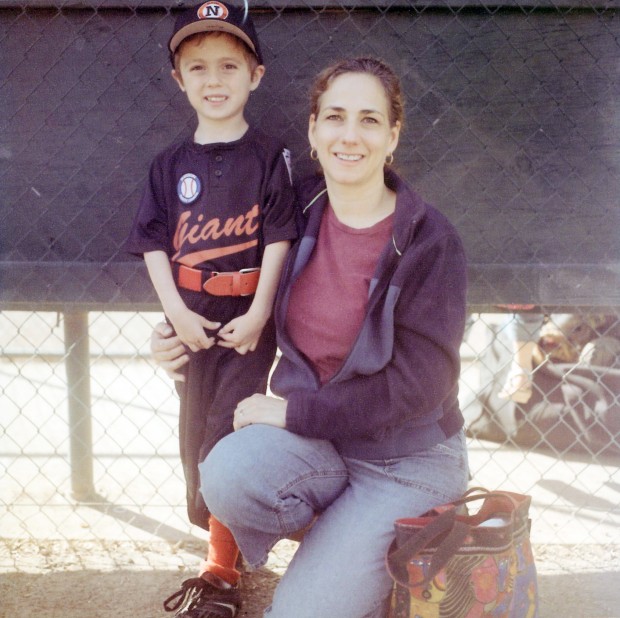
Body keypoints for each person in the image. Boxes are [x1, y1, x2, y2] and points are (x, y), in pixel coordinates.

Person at [152, 57, 469, 618]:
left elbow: (421, 385)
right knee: (226, 474)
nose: (350, 136)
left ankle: (373, 549)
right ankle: (347, 542)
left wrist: (294, 415)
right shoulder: (294, 208)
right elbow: (232, 297)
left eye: (370, 121)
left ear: (393, 136)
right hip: (322, 451)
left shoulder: (428, 239)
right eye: (335, 117)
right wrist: (174, 339)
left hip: (405, 459)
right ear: (313, 131)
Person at [125, 3, 297, 617]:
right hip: (192, 316)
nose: (214, 78)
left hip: (247, 322)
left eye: (230, 64)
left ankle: (222, 569)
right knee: (197, 435)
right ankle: (231, 549)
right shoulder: (169, 165)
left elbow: (280, 234)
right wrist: (174, 313)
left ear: (256, 74)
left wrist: (259, 313)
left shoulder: (269, 154)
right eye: (197, 66)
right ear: (178, 78)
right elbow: (151, 243)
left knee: (226, 435)